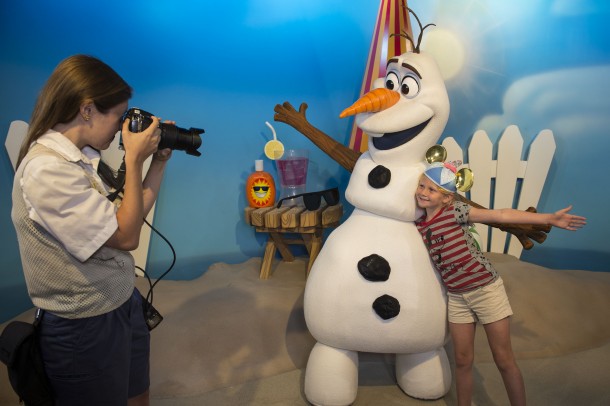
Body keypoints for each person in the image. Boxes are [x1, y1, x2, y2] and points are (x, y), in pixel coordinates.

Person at [11, 54, 172, 406]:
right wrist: (133, 159)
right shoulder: (47, 171)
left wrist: (156, 163)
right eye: (118, 116)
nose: (121, 128)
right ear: (87, 110)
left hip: (120, 300)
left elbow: (125, 221)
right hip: (84, 323)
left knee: (135, 392)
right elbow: (129, 238)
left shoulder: (79, 159)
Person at [414, 161, 586, 406]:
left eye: (431, 190)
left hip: (485, 289)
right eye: (421, 185)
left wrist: (548, 218)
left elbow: (501, 214)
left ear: (446, 198)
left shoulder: (456, 212)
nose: (422, 192)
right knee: (462, 360)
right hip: (456, 296)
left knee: (503, 358)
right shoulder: (420, 225)